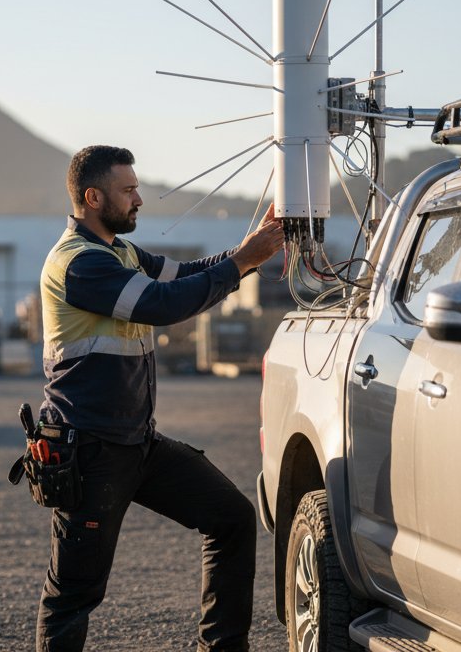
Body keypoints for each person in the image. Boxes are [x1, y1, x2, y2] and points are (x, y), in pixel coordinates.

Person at [34, 145, 284, 652]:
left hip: (135, 443)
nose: (139, 199)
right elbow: (162, 305)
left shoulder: (120, 253)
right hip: (90, 451)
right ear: (92, 197)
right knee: (73, 595)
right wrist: (244, 261)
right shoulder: (79, 264)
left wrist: (248, 251)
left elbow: (188, 275)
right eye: (128, 190)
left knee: (232, 519)